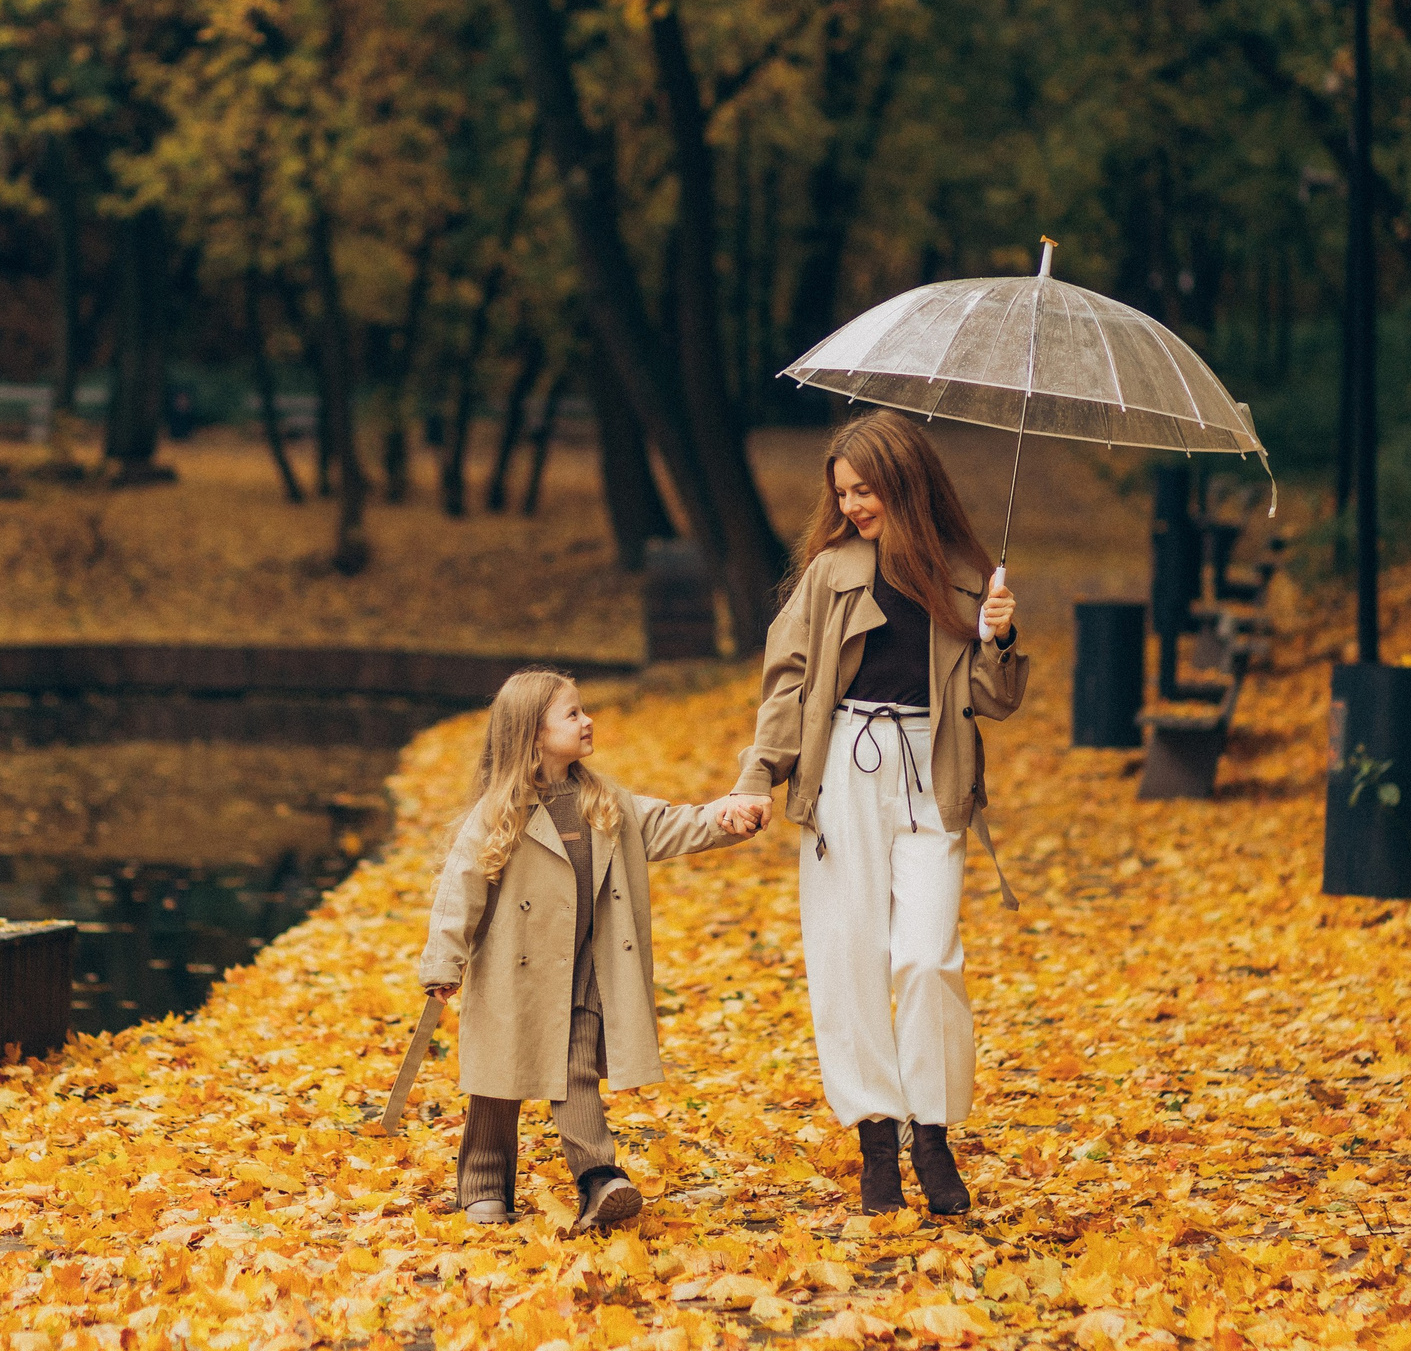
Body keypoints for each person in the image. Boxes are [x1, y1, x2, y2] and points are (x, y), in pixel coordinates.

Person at [723, 411, 1028, 1217]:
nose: (854, 505)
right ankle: (876, 1136)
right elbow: (788, 682)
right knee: (846, 955)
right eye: (844, 493)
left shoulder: (967, 571)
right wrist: (760, 777)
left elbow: (995, 700)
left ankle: (932, 1129)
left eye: (866, 490)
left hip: (935, 772)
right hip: (845, 771)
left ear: (904, 480)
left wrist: (999, 635)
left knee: (929, 957)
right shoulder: (831, 572)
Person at [418, 669, 760, 1233]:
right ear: (532, 736)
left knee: (575, 1070)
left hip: (584, 969)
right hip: (512, 970)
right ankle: (483, 1183)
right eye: (572, 714)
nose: (587, 720)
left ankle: (600, 1179)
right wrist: (443, 962)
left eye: (583, 710)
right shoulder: (498, 815)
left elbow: (676, 824)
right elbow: (460, 891)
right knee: (498, 1081)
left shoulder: (605, 803)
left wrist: (727, 815)